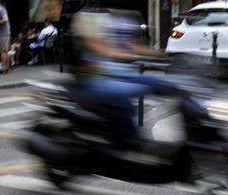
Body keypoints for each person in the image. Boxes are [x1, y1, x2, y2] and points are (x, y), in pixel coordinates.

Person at [72, 10, 171, 140]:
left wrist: (164, 55)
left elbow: (131, 47)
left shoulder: (113, 25)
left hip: (117, 74)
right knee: (134, 92)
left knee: (159, 83)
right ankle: (130, 140)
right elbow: (108, 51)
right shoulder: (89, 24)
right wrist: (130, 55)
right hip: (95, 80)